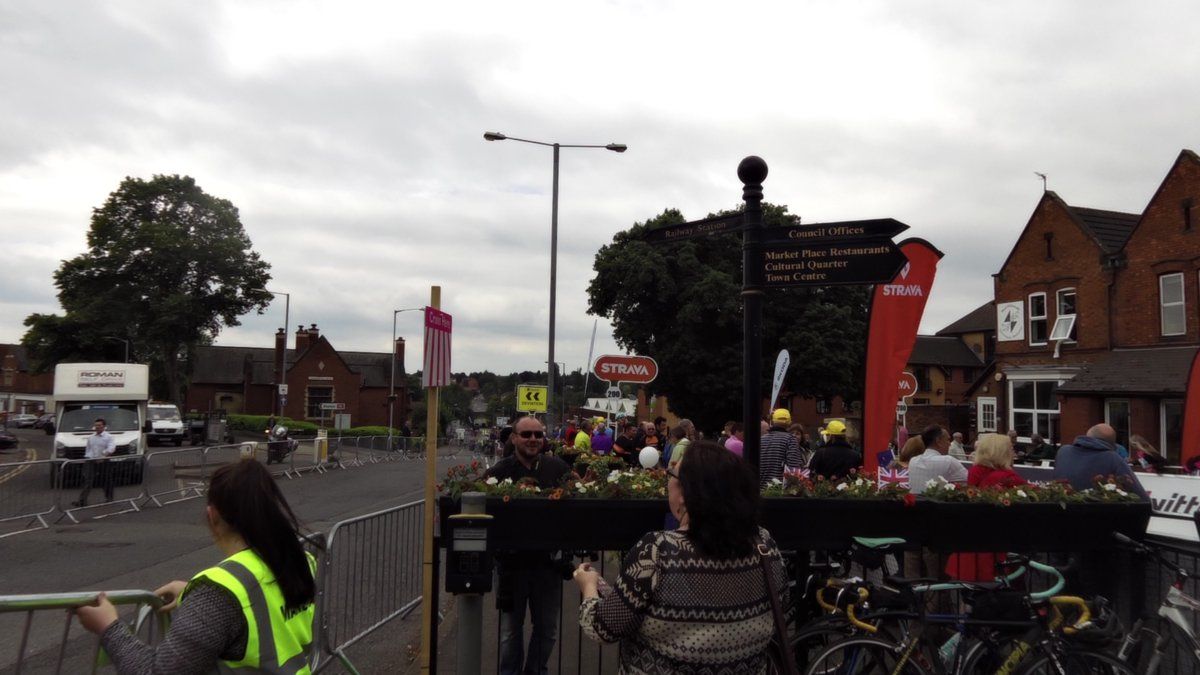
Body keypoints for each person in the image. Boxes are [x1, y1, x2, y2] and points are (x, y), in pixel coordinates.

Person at [77, 459, 318, 673]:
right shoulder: (299, 561)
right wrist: (193, 593)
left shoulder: (219, 592)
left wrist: (108, 626)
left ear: (212, 516)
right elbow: (260, 604)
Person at [574, 441, 787, 673]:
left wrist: (589, 587)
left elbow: (603, 629)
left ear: (686, 493)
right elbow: (781, 605)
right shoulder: (763, 543)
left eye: (672, 474)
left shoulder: (658, 551)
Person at [484, 416, 572, 675]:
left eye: (537, 434)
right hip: (511, 565)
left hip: (548, 565)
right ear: (514, 438)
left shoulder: (557, 468)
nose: (533, 439)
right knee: (510, 633)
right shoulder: (500, 471)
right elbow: (473, 496)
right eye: (526, 434)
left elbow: (582, 493)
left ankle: (534, 672)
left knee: (547, 631)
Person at [945, 433, 1028, 581]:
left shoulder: (975, 471)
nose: (1013, 453)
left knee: (971, 589)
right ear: (1002, 452)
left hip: (972, 540)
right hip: (998, 542)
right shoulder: (1008, 477)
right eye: (1010, 449)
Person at [1052, 423, 1148, 499]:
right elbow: (1141, 497)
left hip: (1061, 512)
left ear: (1087, 436)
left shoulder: (1063, 451)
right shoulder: (1112, 458)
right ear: (1113, 444)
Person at [908, 425, 967, 493]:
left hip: (916, 502)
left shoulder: (912, 461)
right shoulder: (948, 461)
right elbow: (970, 482)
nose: (950, 444)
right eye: (948, 440)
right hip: (938, 502)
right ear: (938, 441)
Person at [74, 418, 116, 507]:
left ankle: (109, 498)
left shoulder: (109, 437)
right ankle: (82, 501)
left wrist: (103, 456)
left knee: (106, 480)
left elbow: (111, 448)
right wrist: (88, 459)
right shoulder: (91, 437)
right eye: (96, 425)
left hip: (104, 461)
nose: (97, 427)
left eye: (99, 425)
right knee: (87, 480)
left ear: (104, 426)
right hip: (91, 461)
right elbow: (88, 450)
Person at [759, 408, 804, 486]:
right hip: (778, 492)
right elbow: (794, 470)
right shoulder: (790, 439)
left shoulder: (761, 439)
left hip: (760, 489)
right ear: (790, 423)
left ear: (772, 421)